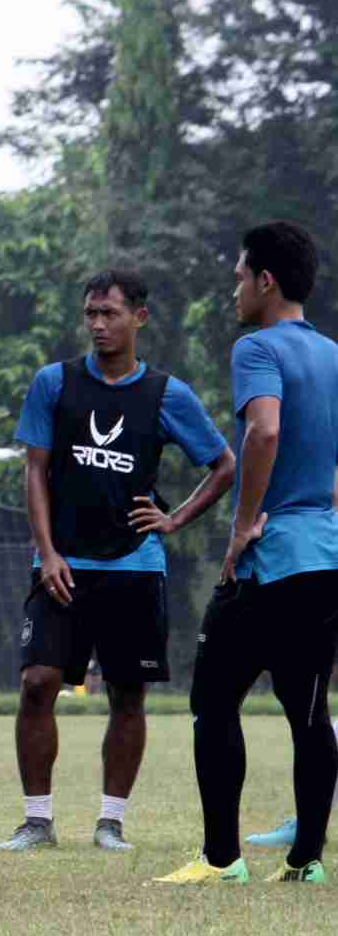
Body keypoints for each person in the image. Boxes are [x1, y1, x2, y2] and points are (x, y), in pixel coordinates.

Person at [0, 269, 234, 854]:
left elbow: (224, 464)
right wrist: (47, 553)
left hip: (134, 565)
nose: (99, 325)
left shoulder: (166, 394)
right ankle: (36, 821)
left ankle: (110, 822)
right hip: (63, 566)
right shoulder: (54, 384)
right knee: (37, 682)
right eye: (92, 315)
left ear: (139, 319)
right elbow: (34, 471)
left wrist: (174, 518)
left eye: (111, 314)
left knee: (127, 693)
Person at [157, 222, 338, 886]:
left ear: (266, 281)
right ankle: (307, 860)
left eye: (239, 275)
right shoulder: (334, 355)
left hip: (272, 557)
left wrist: (242, 528)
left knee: (212, 698)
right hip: (326, 558)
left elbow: (263, 430)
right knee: (310, 709)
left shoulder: (256, 348)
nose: (233, 287)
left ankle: (223, 858)